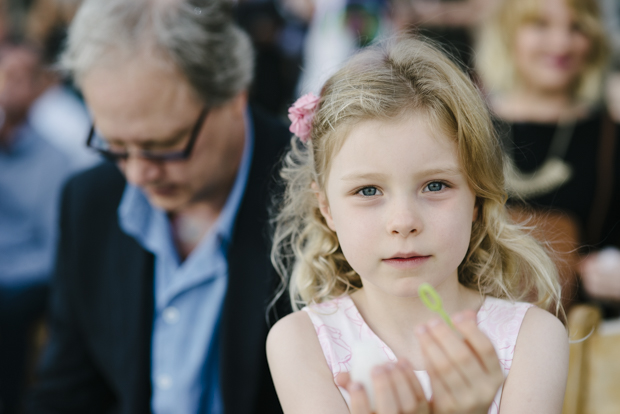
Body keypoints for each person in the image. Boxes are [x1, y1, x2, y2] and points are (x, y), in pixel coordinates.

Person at [267, 37, 568, 413]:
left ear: (476, 197)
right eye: (368, 190)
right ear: (326, 207)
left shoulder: (531, 338)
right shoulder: (302, 342)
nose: (404, 223)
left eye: (435, 185)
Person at [27, 1, 290, 413]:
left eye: (163, 146)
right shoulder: (90, 201)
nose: (137, 175)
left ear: (234, 94)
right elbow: (68, 390)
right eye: (115, 146)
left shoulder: (315, 197)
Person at [476, 0, 620, 312]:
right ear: (507, 32)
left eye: (577, 27)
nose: (561, 43)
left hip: (579, 340)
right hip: (481, 337)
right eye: (540, 24)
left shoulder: (611, 136)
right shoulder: (470, 129)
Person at [0, 42, 74, 414]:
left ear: (39, 88)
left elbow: (54, 250)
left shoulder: (54, 160)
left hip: (25, 279)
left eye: (18, 78)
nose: (6, 87)